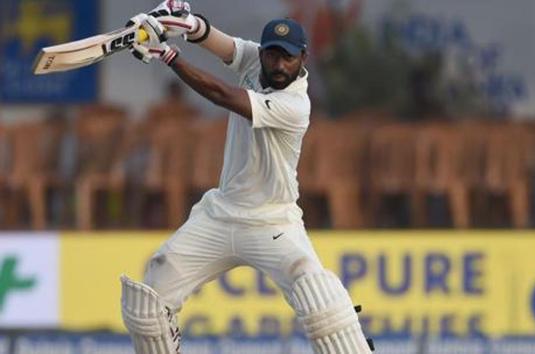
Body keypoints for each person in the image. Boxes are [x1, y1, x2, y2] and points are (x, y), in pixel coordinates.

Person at [119, 2, 374, 354]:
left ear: (302, 57)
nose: (279, 65)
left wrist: (167, 54)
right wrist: (185, 21)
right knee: (148, 302)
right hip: (220, 215)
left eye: (287, 58)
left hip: (273, 222)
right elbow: (216, 40)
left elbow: (222, 95)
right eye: (272, 56)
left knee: (323, 302)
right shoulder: (257, 60)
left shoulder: (296, 105)